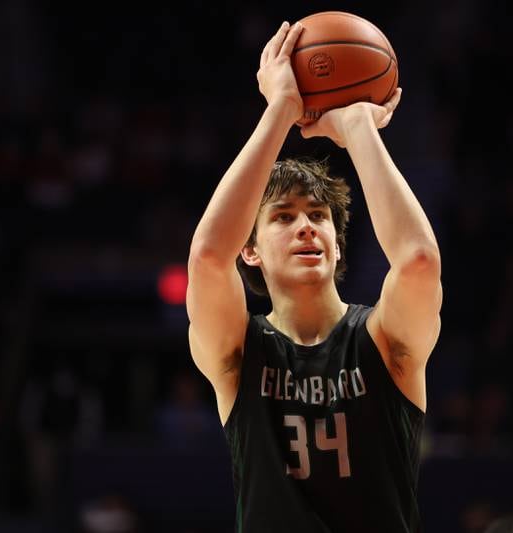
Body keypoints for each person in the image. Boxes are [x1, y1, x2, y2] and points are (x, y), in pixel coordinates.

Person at [187, 20, 442, 532]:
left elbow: (418, 261)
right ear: (251, 251)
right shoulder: (241, 350)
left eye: (319, 216)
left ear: (336, 240)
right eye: (283, 216)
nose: (306, 227)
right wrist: (280, 110)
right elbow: (209, 257)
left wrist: (357, 128)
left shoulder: (383, 341)